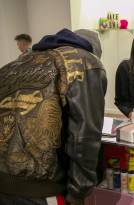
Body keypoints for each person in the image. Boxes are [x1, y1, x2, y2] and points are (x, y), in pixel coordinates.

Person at [0, 28, 107, 205]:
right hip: (41, 189)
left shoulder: (15, 64)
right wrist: (79, 192)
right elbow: (84, 136)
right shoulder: (86, 62)